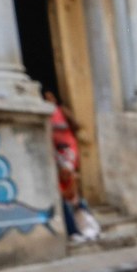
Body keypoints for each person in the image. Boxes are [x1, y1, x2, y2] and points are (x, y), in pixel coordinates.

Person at [45, 90, 99, 242]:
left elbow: (76, 126)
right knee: (68, 196)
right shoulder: (46, 115)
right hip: (56, 152)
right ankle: (79, 228)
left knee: (72, 193)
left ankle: (83, 226)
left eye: (50, 96)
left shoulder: (61, 111)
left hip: (66, 150)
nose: (47, 99)